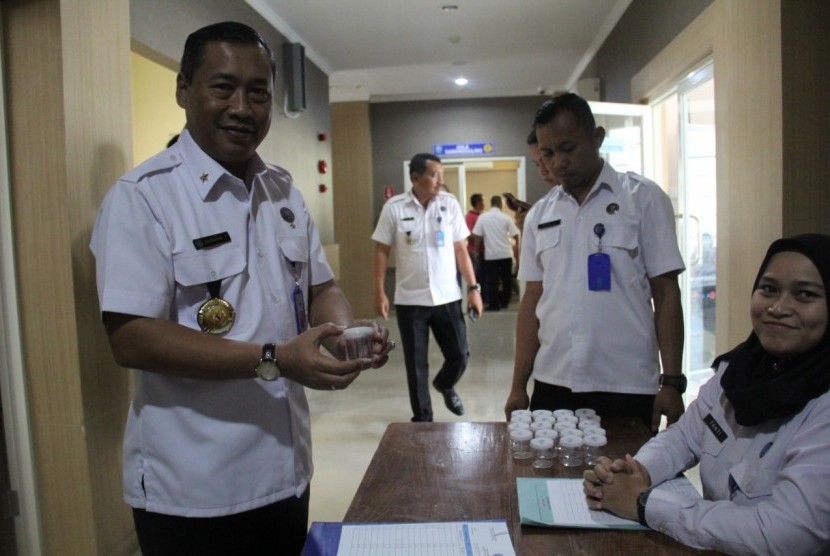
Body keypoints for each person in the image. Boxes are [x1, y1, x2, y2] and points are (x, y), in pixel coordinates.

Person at [90, 22, 392, 555]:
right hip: (195, 489)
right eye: (222, 87)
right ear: (184, 89)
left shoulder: (283, 192)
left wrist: (342, 331)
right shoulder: (143, 198)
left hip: (286, 470)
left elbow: (321, 284)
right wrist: (275, 357)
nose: (243, 107)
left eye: (258, 93)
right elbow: (131, 338)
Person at [584, 234, 830, 555]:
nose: (778, 307)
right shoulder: (740, 370)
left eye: (805, 294)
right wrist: (638, 471)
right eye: (768, 289)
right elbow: (685, 436)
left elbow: (786, 533)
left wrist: (645, 504)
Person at [505, 93, 686, 432]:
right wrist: (518, 385)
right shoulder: (540, 215)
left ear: (597, 137)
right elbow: (532, 301)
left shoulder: (643, 199)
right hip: (553, 382)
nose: (558, 162)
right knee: (550, 480)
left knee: (626, 480)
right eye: (548, 153)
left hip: (626, 383)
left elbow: (666, 294)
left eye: (568, 148)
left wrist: (672, 381)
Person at [372, 153, 484, 422]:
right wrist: (379, 291)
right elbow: (381, 250)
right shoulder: (394, 207)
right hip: (410, 300)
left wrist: (474, 288)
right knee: (416, 365)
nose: (440, 181)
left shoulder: (449, 205)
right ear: (415, 177)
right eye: (434, 175)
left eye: (441, 175)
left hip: (447, 297)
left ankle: (445, 384)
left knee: (459, 354)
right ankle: (423, 420)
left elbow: (461, 250)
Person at [472, 195, 520, 310]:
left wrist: (477, 250)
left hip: (491, 255)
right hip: (505, 254)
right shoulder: (506, 218)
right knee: (506, 279)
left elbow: (477, 236)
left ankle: (494, 304)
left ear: (491, 204)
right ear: (501, 205)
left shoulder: (483, 217)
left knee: (491, 281)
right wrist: (517, 251)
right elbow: (516, 235)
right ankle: (505, 302)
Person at [466, 193, 485, 284]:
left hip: (484, 250)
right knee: (476, 275)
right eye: (483, 201)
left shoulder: (483, 215)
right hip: (474, 250)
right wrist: (479, 236)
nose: (484, 203)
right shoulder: (470, 216)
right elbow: (468, 233)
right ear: (478, 203)